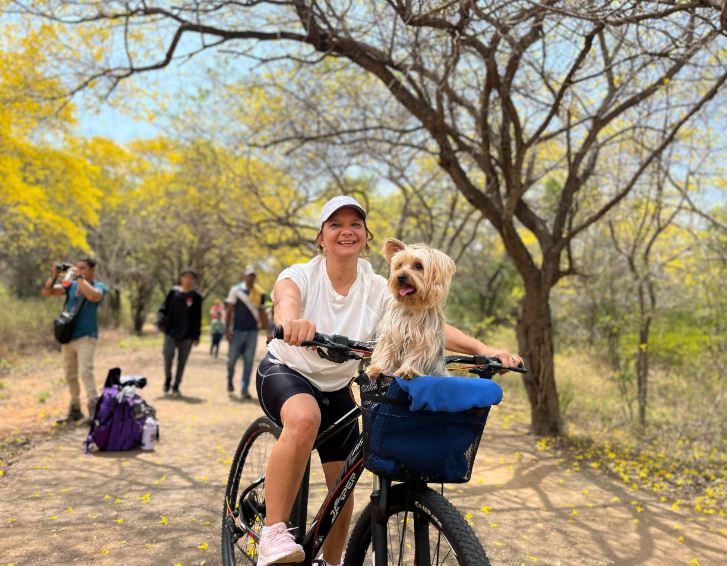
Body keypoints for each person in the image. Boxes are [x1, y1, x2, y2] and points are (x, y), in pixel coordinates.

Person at [255, 196, 523, 566]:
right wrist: (293, 320)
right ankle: (271, 533)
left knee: (342, 484)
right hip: (287, 372)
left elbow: (430, 323)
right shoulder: (301, 274)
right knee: (304, 418)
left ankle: (331, 564)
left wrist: (484, 348)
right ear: (321, 238)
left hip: (336, 387)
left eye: (355, 225)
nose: (346, 231)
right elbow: (287, 298)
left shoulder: (380, 285)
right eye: (335, 225)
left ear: (366, 237)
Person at [41, 257, 108, 423]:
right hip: (68, 336)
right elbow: (47, 292)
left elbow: (93, 296)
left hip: (87, 336)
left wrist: (79, 278)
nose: (79, 270)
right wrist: (55, 275)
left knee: (85, 371)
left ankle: (94, 411)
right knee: (70, 375)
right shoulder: (71, 285)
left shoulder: (99, 286)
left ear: (92, 270)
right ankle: (75, 410)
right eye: (77, 268)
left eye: (83, 268)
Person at [224, 265, 269, 399]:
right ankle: (230, 380)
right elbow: (229, 310)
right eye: (249, 275)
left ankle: (244, 388)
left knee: (249, 361)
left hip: (252, 332)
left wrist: (267, 329)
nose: (251, 277)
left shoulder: (259, 293)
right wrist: (226, 329)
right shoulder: (236, 290)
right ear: (244, 276)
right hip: (237, 331)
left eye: (253, 275)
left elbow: (262, 312)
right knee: (231, 360)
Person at [161, 267, 203, 397]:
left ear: (194, 280)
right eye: (186, 277)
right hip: (171, 333)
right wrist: (160, 322)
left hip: (187, 336)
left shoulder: (196, 297)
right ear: (181, 278)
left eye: (191, 278)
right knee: (167, 355)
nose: (188, 280)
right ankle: (168, 379)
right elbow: (163, 308)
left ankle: (176, 385)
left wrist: (196, 336)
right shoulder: (173, 293)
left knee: (182, 361)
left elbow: (198, 317)